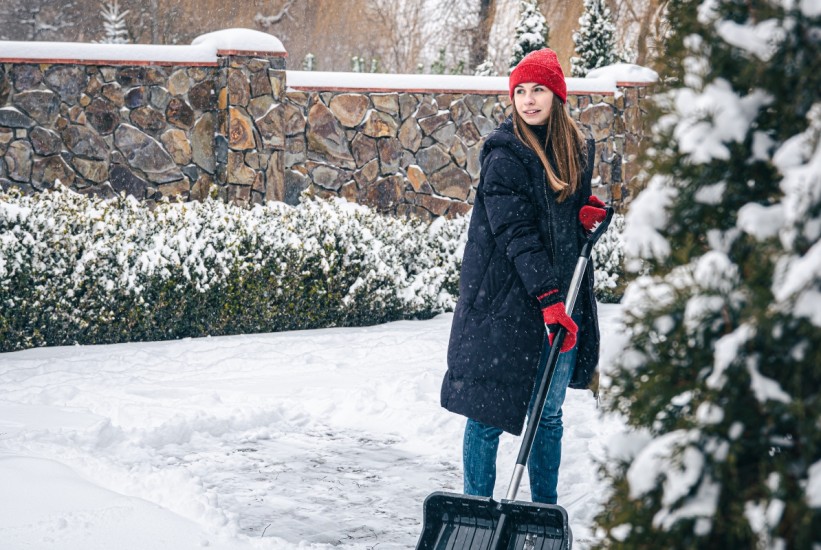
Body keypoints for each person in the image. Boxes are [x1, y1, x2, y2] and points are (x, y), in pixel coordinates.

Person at [439, 48, 606, 505]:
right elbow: (516, 232)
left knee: (548, 416)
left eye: (538, 90)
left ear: (557, 94)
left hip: (560, 304)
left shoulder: (575, 149)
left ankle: (543, 513)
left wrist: (584, 215)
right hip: (506, 305)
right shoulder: (505, 153)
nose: (528, 100)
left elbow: (560, 222)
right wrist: (547, 297)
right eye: (519, 91)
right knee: (488, 415)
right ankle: (476, 509)